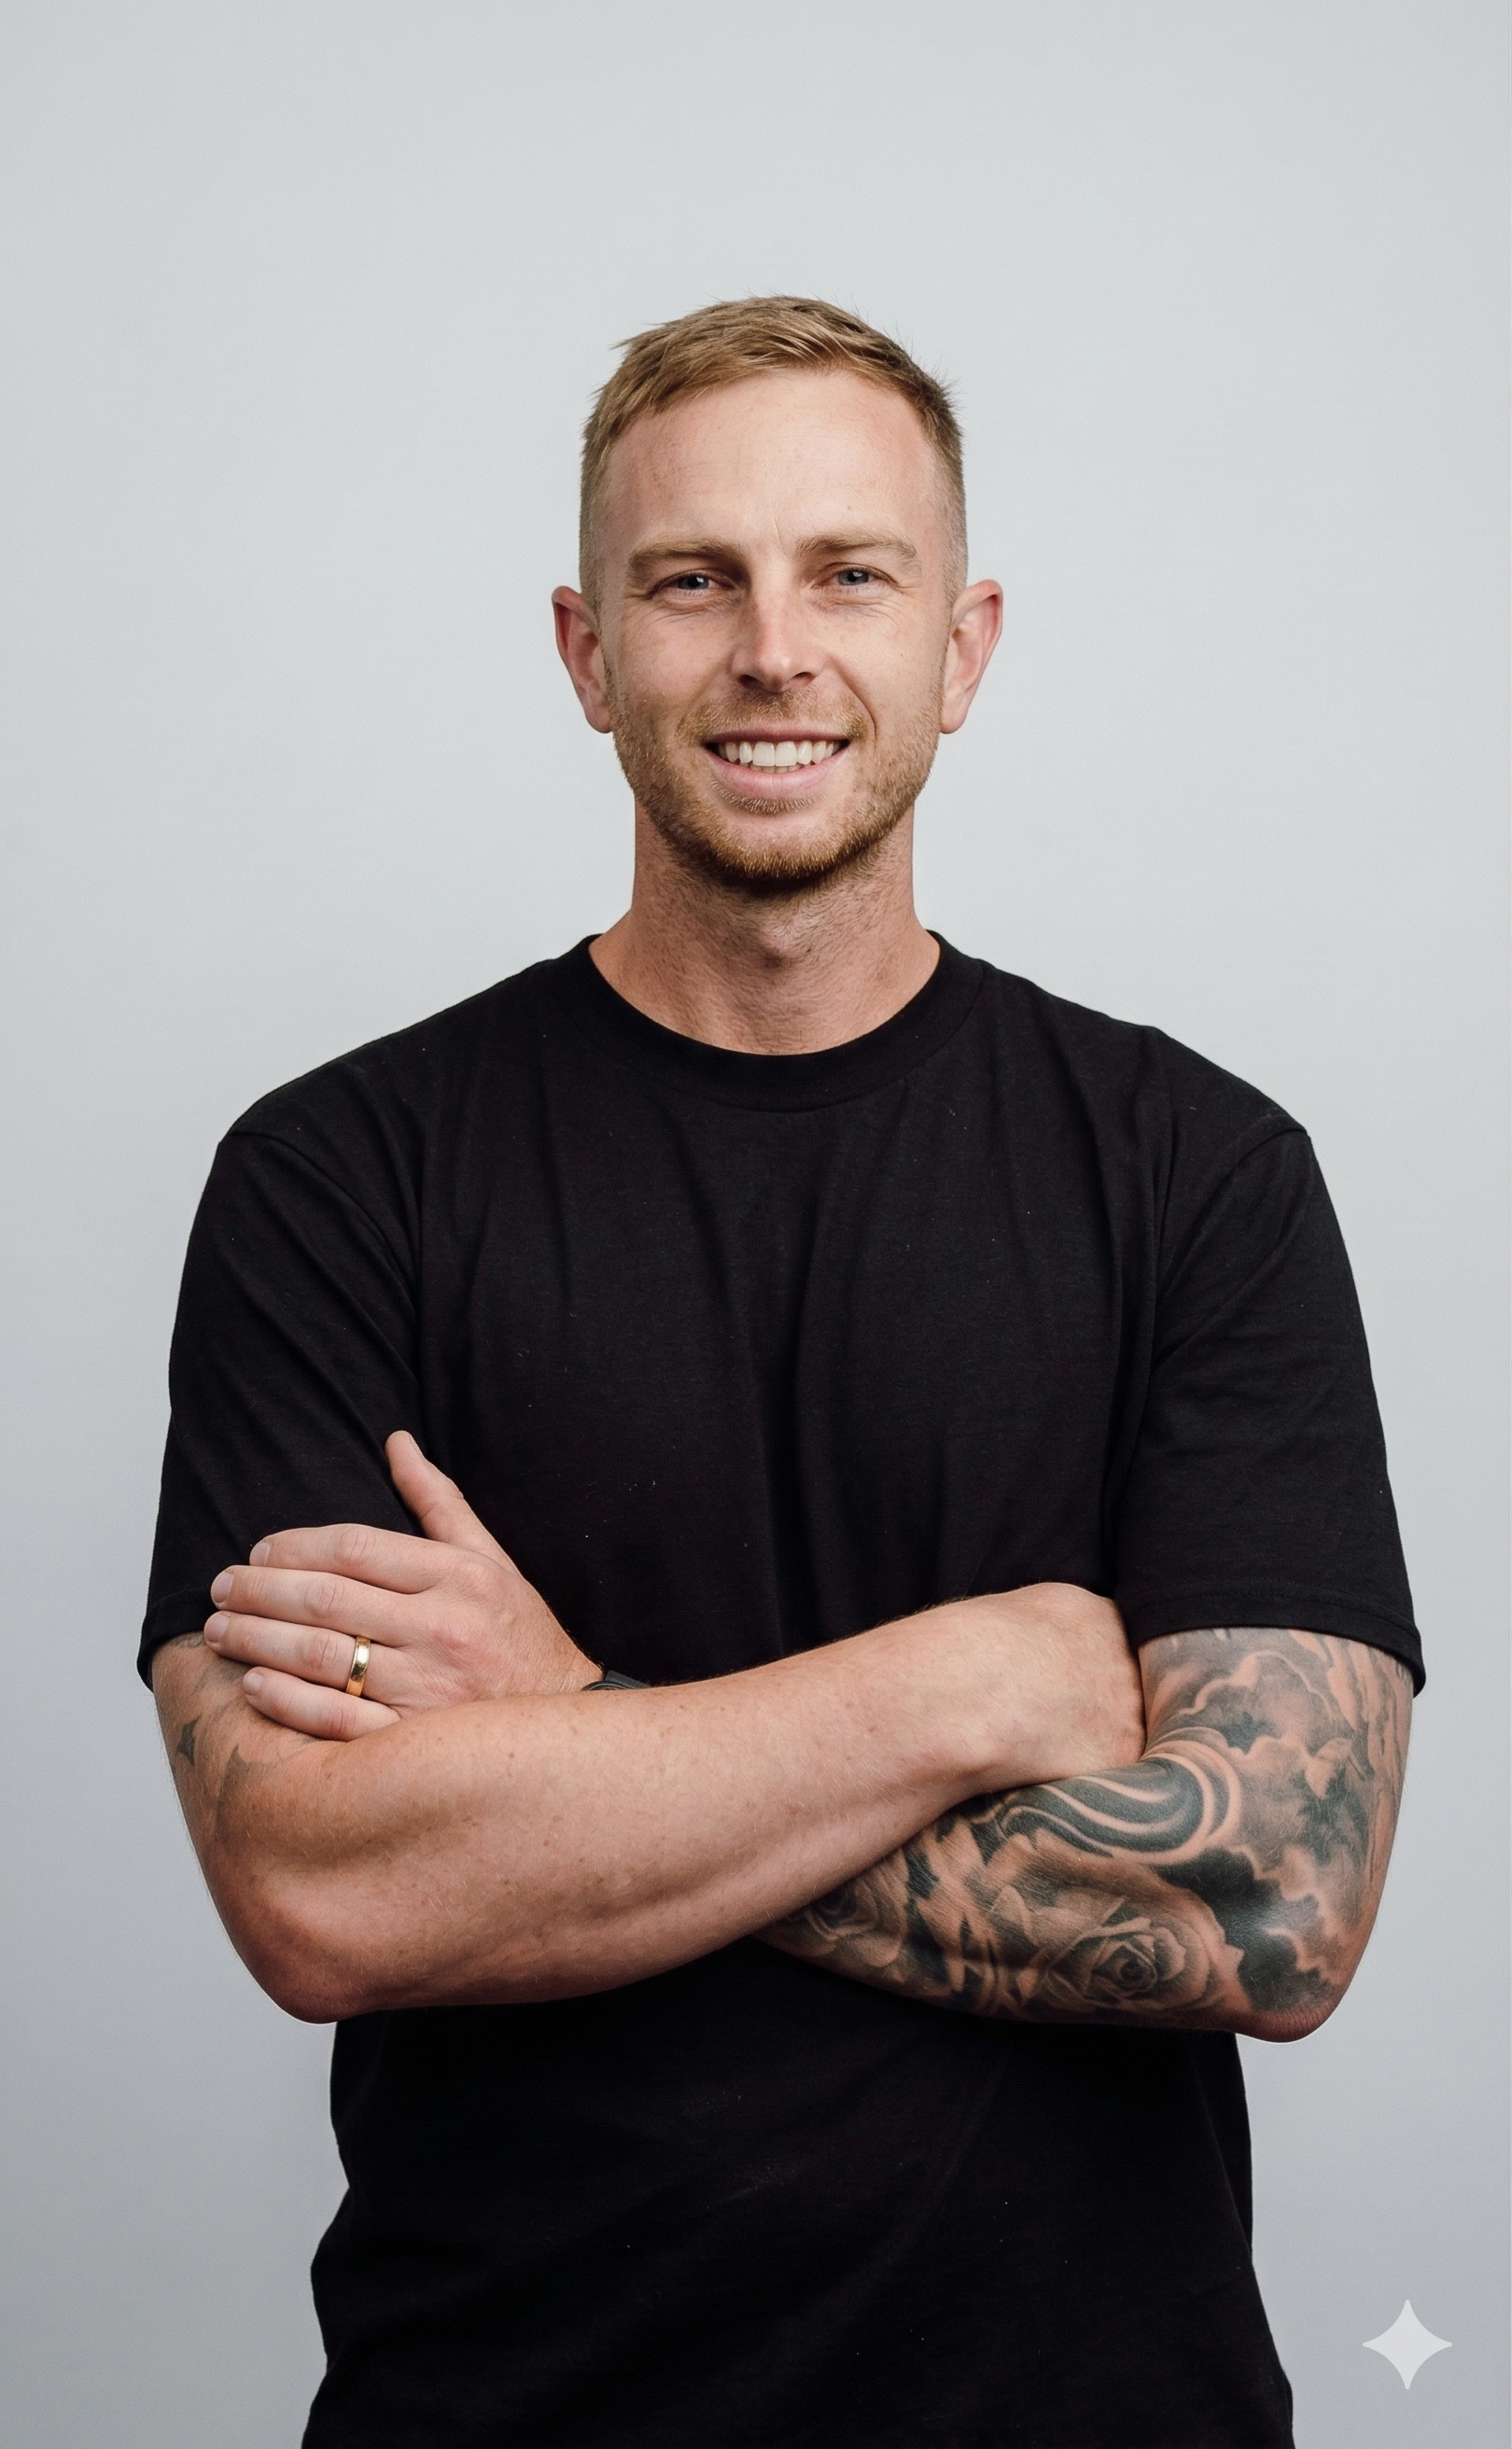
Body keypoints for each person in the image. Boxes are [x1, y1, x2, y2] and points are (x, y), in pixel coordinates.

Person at [143, 296, 1420, 2449]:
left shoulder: (1197, 1172)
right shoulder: (340, 1176)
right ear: (582, 651)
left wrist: (571, 1736)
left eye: (850, 572)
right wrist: (956, 1689)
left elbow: (1270, 1895)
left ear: (964, 644)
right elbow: (319, 1882)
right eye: (689, 579)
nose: (772, 647)